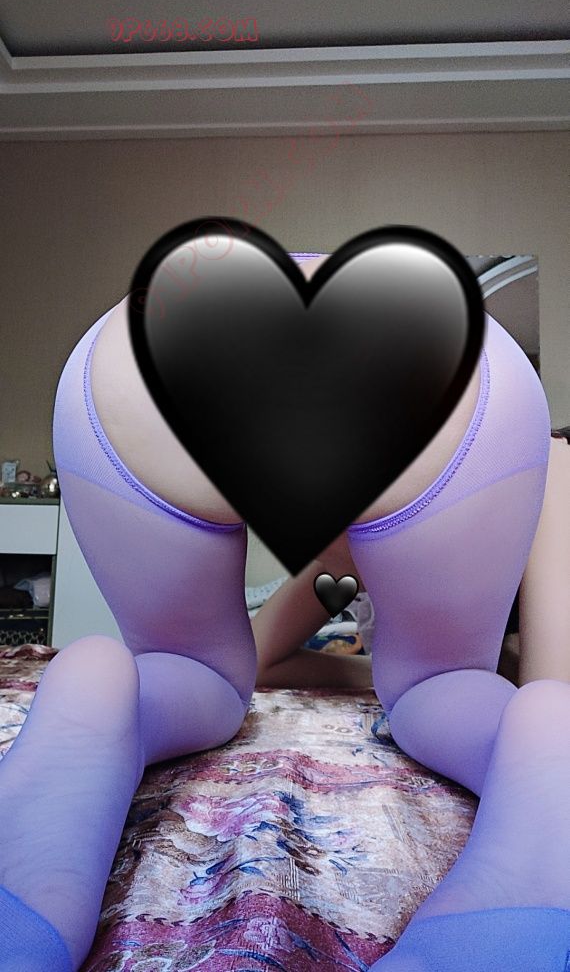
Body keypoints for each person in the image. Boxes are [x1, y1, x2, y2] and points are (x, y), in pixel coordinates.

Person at [0, 246, 568, 970]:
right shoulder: (552, 465)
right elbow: (554, 674)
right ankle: (529, 840)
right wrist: (421, 684)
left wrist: (371, 667)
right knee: (472, 692)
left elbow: (259, 655)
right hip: (442, 364)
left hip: (147, 341)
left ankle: (93, 687)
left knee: (185, 667)